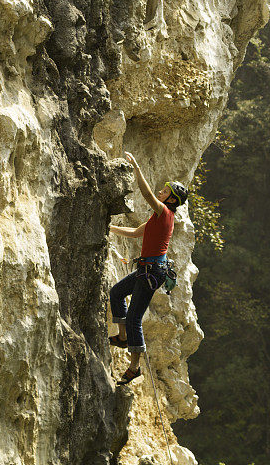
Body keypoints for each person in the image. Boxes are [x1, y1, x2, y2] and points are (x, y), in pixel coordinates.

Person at [108, 151, 188, 385]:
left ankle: (134, 367)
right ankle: (123, 338)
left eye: (165, 192)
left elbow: (146, 194)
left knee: (134, 317)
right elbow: (134, 233)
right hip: (148, 269)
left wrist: (137, 169)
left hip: (152, 272)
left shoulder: (164, 213)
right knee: (117, 293)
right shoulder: (157, 218)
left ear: (171, 199)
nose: (160, 193)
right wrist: (109, 228)